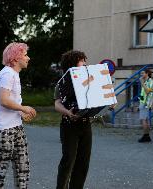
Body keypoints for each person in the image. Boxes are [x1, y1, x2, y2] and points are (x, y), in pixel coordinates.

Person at [0, 42, 36, 189]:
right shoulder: (8, 74)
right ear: (15, 59)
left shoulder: (13, 74)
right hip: (3, 131)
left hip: (16, 128)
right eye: (25, 55)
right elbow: (4, 100)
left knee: (23, 169)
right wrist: (23, 107)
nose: (28, 58)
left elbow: (11, 101)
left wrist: (20, 113)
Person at [54, 50, 92, 189]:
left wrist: (109, 103)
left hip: (85, 125)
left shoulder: (89, 80)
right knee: (68, 160)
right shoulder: (62, 83)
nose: (85, 63)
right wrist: (67, 112)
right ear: (72, 64)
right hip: (69, 125)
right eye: (82, 61)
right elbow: (57, 104)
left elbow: (96, 98)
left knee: (83, 162)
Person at [138, 69, 153, 143]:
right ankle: (147, 136)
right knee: (146, 120)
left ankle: (145, 136)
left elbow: (147, 91)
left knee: (143, 120)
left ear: (147, 73)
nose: (141, 74)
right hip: (144, 102)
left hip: (145, 103)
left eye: (143, 73)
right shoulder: (147, 81)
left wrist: (142, 83)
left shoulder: (150, 82)